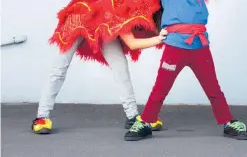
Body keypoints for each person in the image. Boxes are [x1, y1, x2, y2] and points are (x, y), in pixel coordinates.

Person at [124, 0, 247, 141]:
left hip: (200, 46)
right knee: (160, 88)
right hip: (175, 46)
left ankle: (228, 122)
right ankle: (146, 121)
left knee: (213, 88)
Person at [31, 12, 166, 135]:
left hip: (105, 21)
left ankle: (132, 116)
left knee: (120, 66)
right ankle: (41, 117)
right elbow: (132, 43)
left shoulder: (127, 12)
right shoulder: (124, 12)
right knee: (59, 68)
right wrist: (160, 38)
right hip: (79, 17)